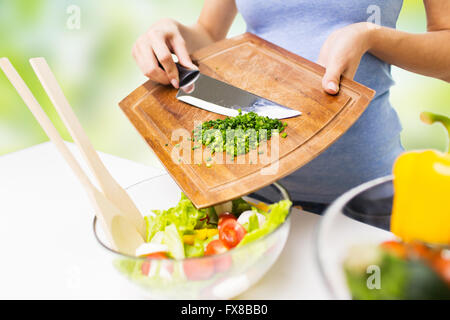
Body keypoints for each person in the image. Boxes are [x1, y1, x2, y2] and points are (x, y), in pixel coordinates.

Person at [132, 0, 450, 214]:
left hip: (365, 197)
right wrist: (170, 35)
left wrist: (371, 36)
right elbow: (209, 35)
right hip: (251, 191)